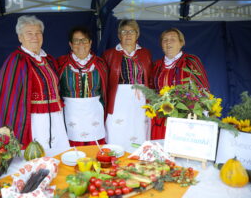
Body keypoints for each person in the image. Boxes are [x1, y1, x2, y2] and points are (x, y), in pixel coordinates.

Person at [0, 15, 70, 150]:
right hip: (33, 120)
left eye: (38, 33)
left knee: (58, 150)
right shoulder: (17, 60)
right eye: (29, 33)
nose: (35, 37)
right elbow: (8, 96)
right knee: (38, 154)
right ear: (20, 37)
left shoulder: (48, 59)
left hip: (56, 117)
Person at [151, 28, 210, 139]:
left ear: (181, 43)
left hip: (185, 115)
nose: (168, 42)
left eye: (173, 39)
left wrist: (202, 111)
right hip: (161, 116)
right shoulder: (156, 65)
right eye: (165, 40)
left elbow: (203, 87)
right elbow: (151, 90)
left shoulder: (190, 61)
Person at [102, 19, 152, 150]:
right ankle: (117, 154)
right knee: (118, 128)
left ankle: (138, 156)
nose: (128, 35)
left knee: (138, 127)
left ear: (137, 34)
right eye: (124, 31)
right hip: (118, 99)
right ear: (119, 35)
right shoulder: (109, 54)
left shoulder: (145, 53)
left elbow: (149, 78)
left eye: (132, 31)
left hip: (140, 100)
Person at [57, 26, 108, 146]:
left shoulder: (100, 63)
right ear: (70, 44)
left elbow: (107, 90)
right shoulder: (61, 63)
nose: (81, 44)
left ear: (90, 43)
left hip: (94, 111)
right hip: (70, 112)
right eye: (76, 40)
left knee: (95, 145)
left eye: (84, 40)